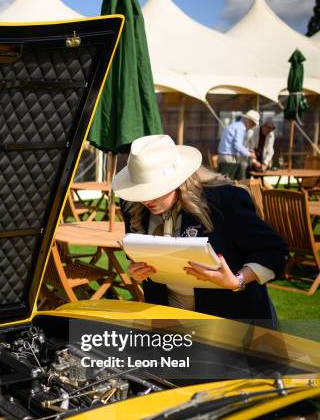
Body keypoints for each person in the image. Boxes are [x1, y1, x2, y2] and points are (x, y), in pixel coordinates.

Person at [112, 134, 288, 327]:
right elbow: (138, 254)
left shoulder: (225, 201)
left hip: (232, 320)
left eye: (154, 190)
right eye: (140, 192)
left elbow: (274, 251)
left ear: (179, 180)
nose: (146, 199)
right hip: (169, 321)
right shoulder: (134, 207)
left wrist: (237, 280)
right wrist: (137, 270)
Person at [217, 110, 260, 179]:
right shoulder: (241, 128)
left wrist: (247, 151)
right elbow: (238, 146)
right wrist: (250, 154)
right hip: (228, 158)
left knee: (224, 183)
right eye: (253, 123)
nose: (253, 126)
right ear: (247, 119)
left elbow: (235, 145)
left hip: (225, 157)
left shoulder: (236, 126)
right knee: (228, 184)